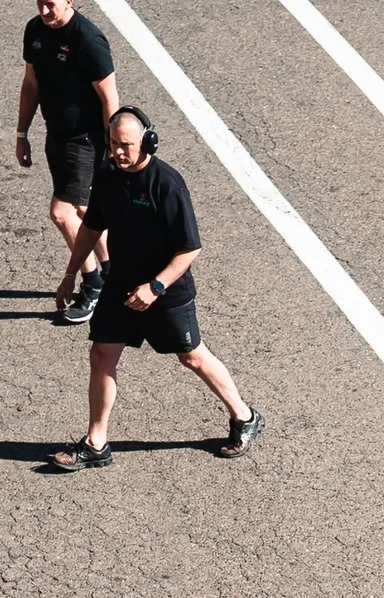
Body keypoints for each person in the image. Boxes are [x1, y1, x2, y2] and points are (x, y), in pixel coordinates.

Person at [50, 107, 262, 468]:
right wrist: (71, 274)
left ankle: (244, 417)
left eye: (126, 145)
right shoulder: (107, 176)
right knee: (101, 355)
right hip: (121, 286)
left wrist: (156, 286)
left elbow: (190, 248)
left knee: (191, 356)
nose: (117, 152)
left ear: (147, 142)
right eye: (113, 143)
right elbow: (91, 229)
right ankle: (95, 443)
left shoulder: (167, 184)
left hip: (165, 293)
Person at [15, 0, 118, 323]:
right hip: (56, 136)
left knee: (61, 212)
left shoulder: (88, 40)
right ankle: (114, 271)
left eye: (51, 4)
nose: (44, 11)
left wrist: (112, 148)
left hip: (85, 140)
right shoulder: (35, 30)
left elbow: (109, 98)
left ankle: (93, 284)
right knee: (85, 211)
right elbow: (31, 84)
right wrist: (22, 132)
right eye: (40, 2)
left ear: (70, 1)